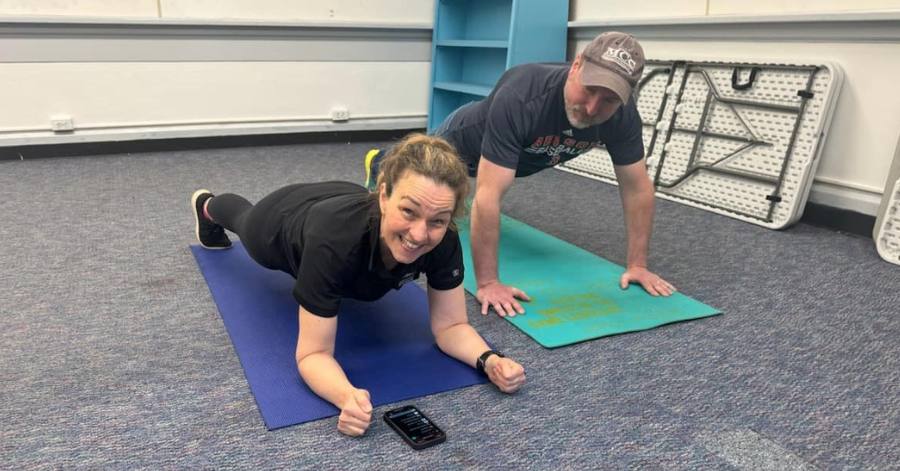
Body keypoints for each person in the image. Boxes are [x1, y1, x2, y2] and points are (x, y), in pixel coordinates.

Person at [191, 134, 526, 437]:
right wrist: (345, 396)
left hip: (342, 200)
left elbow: (451, 325)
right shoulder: (334, 244)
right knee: (245, 220)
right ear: (383, 196)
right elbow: (312, 354)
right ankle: (206, 204)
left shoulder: (443, 239)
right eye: (408, 212)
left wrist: (489, 360)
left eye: (437, 221)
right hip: (282, 222)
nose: (420, 235)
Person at [365, 31, 676, 318]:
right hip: (465, 139)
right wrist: (487, 283)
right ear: (576, 65)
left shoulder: (622, 116)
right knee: (414, 170)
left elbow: (637, 189)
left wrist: (638, 265)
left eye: (608, 99)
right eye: (590, 89)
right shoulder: (523, 93)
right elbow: (487, 197)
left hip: (521, 157)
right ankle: (378, 162)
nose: (593, 107)